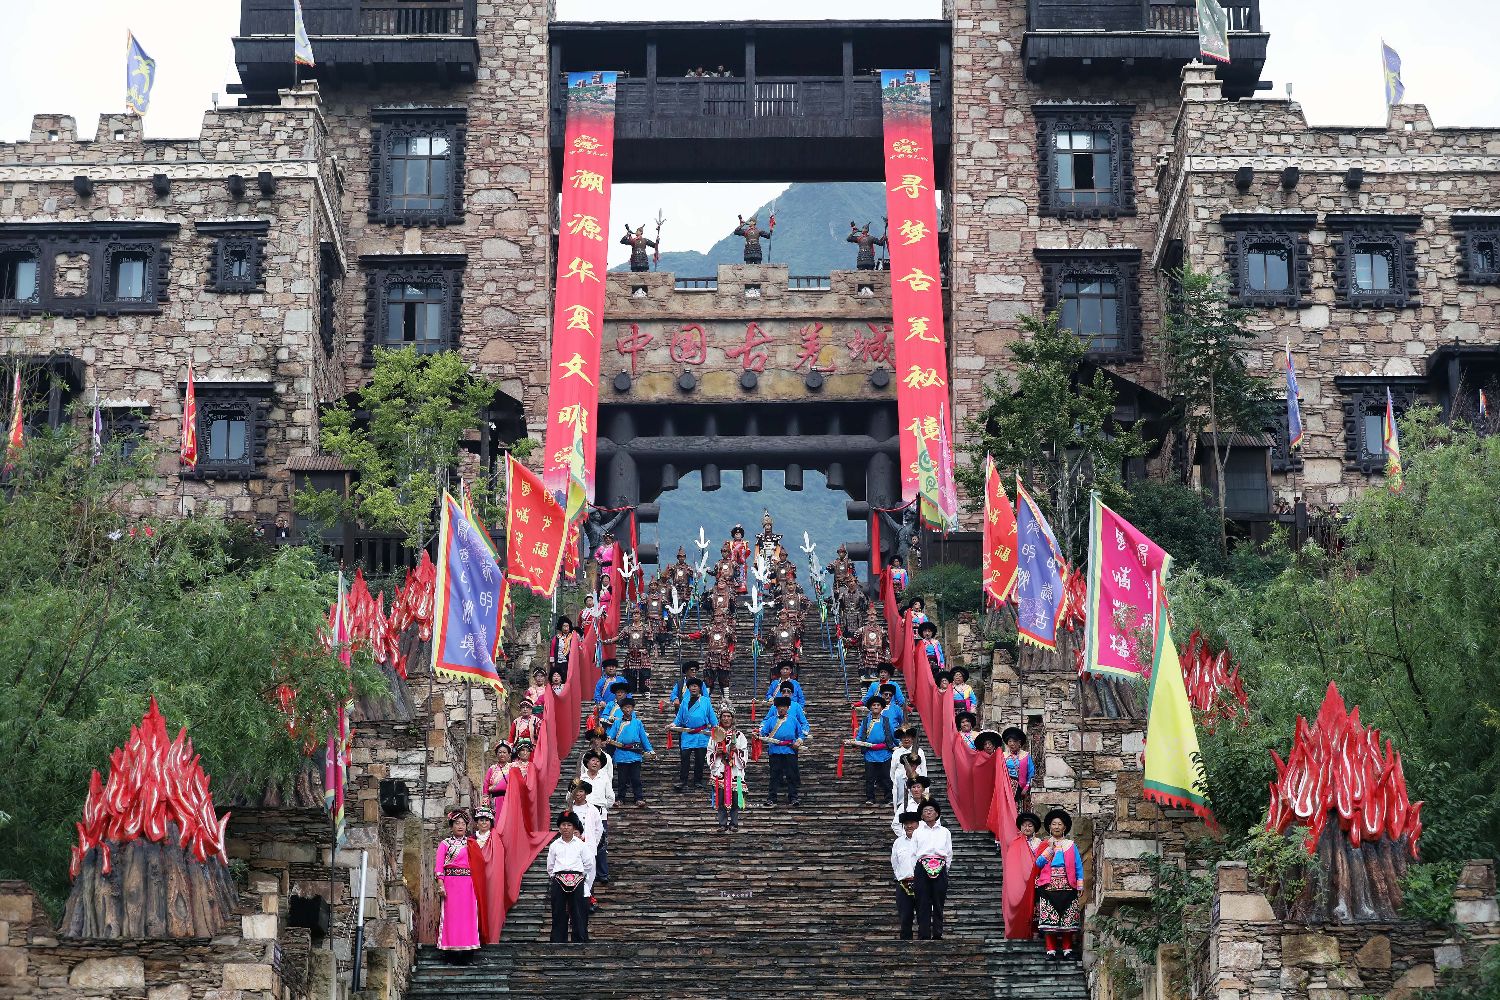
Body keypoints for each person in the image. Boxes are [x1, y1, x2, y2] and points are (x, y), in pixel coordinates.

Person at [1035, 808, 1084, 961]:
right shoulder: (1044, 844)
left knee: (1067, 919)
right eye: (1054, 824)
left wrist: (1080, 885)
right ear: (1050, 827)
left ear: (1064, 827)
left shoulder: (1071, 845)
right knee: (1050, 920)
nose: (1056, 826)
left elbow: (1078, 866)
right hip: (1048, 887)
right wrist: (1050, 849)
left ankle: (1067, 950)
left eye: (1059, 824)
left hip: (1068, 886)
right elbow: (1038, 864)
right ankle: (1051, 950)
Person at [435, 809, 481, 956]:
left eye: (463, 823)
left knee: (468, 917)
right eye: (457, 823)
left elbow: (479, 865)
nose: (460, 826)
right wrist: (440, 885)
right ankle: (450, 952)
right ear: (451, 826)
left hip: (468, 884)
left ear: (466, 826)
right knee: (451, 917)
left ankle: (468, 952)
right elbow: (439, 867)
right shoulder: (445, 844)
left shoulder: (471, 843)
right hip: (451, 884)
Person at [547, 811, 595, 942]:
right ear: (559, 827)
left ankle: (579, 941)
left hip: (577, 879)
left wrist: (579, 875)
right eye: (563, 825)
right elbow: (550, 866)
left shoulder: (581, 845)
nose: (566, 828)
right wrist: (557, 877)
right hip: (559, 878)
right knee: (558, 911)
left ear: (574, 827)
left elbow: (588, 864)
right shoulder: (554, 845)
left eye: (569, 825)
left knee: (578, 911)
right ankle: (558, 941)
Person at [912, 800, 953, 940]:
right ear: (921, 815)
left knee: (938, 901)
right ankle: (923, 934)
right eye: (925, 811)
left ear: (936, 814)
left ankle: (937, 933)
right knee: (922, 902)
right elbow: (913, 853)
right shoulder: (917, 832)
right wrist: (916, 871)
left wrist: (944, 869)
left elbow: (949, 853)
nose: (928, 813)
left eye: (931, 810)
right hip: (922, 867)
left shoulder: (945, 832)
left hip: (940, 866)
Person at [759, 694, 808, 807]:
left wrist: (799, 741)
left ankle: (793, 797)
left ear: (788, 708)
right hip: (775, 751)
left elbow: (800, 733)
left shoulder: (793, 720)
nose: (781, 708)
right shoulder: (771, 720)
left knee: (791, 774)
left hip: (789, 751)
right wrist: (758, 734)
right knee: (774, 775)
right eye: (779, 706)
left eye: (784, 706)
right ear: (776, 708)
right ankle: (771, 798)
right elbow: (763, 732)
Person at [672, 676, 719, 793]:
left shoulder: (705, 701)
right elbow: (679, 718)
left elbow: (712, 717)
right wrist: (672, 724)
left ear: (699, 688)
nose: (693, 688)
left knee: (700, 759)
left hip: (701, 735)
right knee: (685, 758)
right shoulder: (684, 701)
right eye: (691, 686)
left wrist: (717, 728)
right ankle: (683, 780)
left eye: (695, 686)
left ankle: (698, 781)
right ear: (688, 688)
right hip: (687, 734)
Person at [848, 694, 897, 806]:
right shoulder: (865, 721)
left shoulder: (886, 721)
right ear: (870, 707)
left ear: (882, 707)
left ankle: (889, 798)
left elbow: (893, 735)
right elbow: (860, 735)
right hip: (870, 754)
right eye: (874, 705)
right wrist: (855, 742)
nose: (876, 707)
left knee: (887, 777)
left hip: (885, 753)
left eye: (878, 705)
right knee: (870, 778)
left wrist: (900, 744)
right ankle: (870, 798)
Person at [606, 695, 655, 807]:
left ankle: (638, 798)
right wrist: (608, 738)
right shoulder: (617, 723)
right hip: (621, 754)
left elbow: (644, 738)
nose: (627, 710)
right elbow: (611, 735)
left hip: (635, 754)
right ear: (621, 709)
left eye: (629, 707)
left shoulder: (638, 723)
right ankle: (620, 798)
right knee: (622, 779)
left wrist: (650, 750)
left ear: (632, 708)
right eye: (625, 708)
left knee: (636, 778)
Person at [565, 778, 604, 911]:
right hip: (571, 848)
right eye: (576, 791)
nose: (578, 794)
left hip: (588, 847)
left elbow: (598, 829)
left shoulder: (593, 810)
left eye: (581, 791)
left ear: (586, 793)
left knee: (589, 874)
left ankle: (589, 900)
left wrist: (591, 842)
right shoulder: (569, 810)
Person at [709, 709, 750, 832]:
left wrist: (736, 750)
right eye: (724, 716)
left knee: (736, 799)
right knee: (720, 799)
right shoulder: (715, 735)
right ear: (720, 718)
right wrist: (716, 753)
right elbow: (709, 751)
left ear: (732, 719)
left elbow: (745, 751)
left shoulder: (739, 735)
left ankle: (734, 823)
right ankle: (722, 824)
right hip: (721, 769)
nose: (726, 719)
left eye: (728, 716)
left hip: (735, 771)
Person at [470, 806, 504, 944]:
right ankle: (474, 936)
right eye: (481, 819)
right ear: (476, 822)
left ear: (491, 822)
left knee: (491, 905)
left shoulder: (496, 839)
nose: (484, 822)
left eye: (487, 820)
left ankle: (490, 935)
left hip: (492, 878)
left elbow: (500, 860)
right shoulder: (470, 840)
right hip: (474, 877)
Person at [580, 750, 615, 884]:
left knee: (601, 845)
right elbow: (570, 797)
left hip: (600, 815)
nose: (595, 763)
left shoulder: (604, 778)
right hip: (583, 815)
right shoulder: (581, 778)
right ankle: (585, 872)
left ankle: (602, 873)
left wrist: (602, 808)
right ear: (587, 763)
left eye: (598, 761)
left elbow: (610, 798)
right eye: (593, 760)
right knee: (583, 843)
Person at [1013, 811, 1046, 939]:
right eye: (1024, 825)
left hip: (1037, 878)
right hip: (1021, 879)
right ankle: (1024, 929)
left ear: (1034, 828)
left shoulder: (1040, 843)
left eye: (1030, 825)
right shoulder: (1015, 843)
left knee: (1037, 903)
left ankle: (1037, 929)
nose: (1027, 828)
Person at [891, 811, 921, 939]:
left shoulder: (924, 841)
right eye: (906, 823)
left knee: (923, 916)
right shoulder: (898, 842)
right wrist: (900, 876)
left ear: (918, 824)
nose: (909, 826)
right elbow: (894, 862)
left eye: (912, 823)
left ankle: (924, 942)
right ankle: (905, 944)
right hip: (904, 883)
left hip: (921, 883)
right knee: (905, 916)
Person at [890, 728, 927, 805]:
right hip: (901, 782)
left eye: (908, 737)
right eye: (904, 737)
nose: (906, 739)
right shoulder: (896, 752)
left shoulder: (919, 751)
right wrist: (897, 782)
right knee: (902, 803)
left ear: (912, 738)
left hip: (916, 781)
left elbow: (923, 769)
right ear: (900, 739)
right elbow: (892, 771)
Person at [1002, 727, 1036, 809]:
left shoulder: (1025, 756)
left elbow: (1031, 773)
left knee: (1018, 809)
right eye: (1010, 741)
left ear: (1019, 742)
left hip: (1020, 788)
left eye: (1014, 741)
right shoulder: (1003, 756)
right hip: (1005, 787)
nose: (1012, 744)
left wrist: (1026, 787)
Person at [484, 741, 514, 817]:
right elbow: (486, 785)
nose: (502, 754)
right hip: (495, 800)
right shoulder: (492, 769)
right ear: (496, 754)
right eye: (500, 752)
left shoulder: (513, 768)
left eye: (504, 752)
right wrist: (485, 802)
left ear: (509, 754)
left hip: (509, 799)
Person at [549, 616, 575, 681]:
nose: (566, 628)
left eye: (567, 626)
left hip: (569, 662)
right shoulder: (556, 638)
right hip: (558, 661)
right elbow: (552, 650)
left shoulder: (573, 638)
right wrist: (552, 661)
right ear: (561, 627)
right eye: (564, 626)